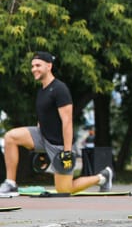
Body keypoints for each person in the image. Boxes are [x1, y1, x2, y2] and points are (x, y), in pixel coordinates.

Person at [0, 51, 113, 196]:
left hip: (59, 145)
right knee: (10, 137)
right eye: (33, 66)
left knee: (65, 190)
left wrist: (66, 152)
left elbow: (67, 122)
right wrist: (40, 150)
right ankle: (10, 183)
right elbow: (43, 117)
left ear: (49, 66)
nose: (34, 69)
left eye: (38, 65)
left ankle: (102, 177)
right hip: (43, 136)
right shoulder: (42, 91)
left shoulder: (60, 89)